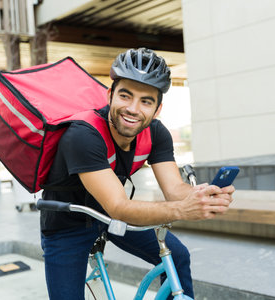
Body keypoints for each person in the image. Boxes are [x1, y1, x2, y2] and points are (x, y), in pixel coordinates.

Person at [40, 47, 235, 299]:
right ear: (110, 95)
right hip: (67, 224)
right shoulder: (82, 135)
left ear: (157, 109)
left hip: (109, 218)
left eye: (146, 101)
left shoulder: (156, 133)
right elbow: (119, 207)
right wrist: (182, 209)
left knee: (178, 257)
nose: (133, 108)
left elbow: (175, 190)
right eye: (125, 95)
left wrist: (199, 194)